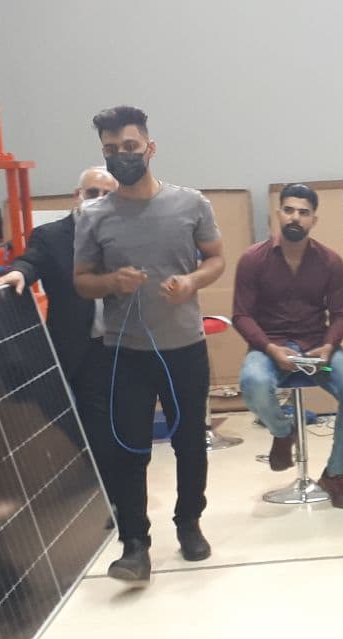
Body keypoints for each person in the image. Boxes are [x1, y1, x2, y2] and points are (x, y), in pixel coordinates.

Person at [73, 105, 225, 584]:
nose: (121, 155)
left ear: (150, 148)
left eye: (130, 147)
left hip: (185, 347)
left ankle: (189, 524)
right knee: (129, 449)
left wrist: (192, 281)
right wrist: (110, 282)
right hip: (125, 353)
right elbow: (82, 281)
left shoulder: (191, 204)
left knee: (190, 444)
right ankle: (135, 545)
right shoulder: (94, 216)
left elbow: (216, 259)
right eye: (111, 149)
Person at [233, 184, 343, 509]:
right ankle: (283, 432)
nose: (295, 217)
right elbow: (241, 315)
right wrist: (269, 348)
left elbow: (340, 315)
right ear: (279, 214)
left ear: (313, 220)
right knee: (253, 382)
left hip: (318, 350)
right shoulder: (253, 259)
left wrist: (330, 346)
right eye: (289, 210)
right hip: (269, 348)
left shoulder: (330, 262)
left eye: (304, 213)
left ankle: (335, 473)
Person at [0, 166, 119, 515]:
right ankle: (97, 479)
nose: (98, 200)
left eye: (107, 195)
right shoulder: (51, 236)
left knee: (108, 420)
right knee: (73, 417)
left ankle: (111, 489)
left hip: (114, 344)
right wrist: (17, 273)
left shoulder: (123, 235)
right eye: (92, 193)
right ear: (77, 195)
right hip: (75, 343)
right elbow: (30, 261)